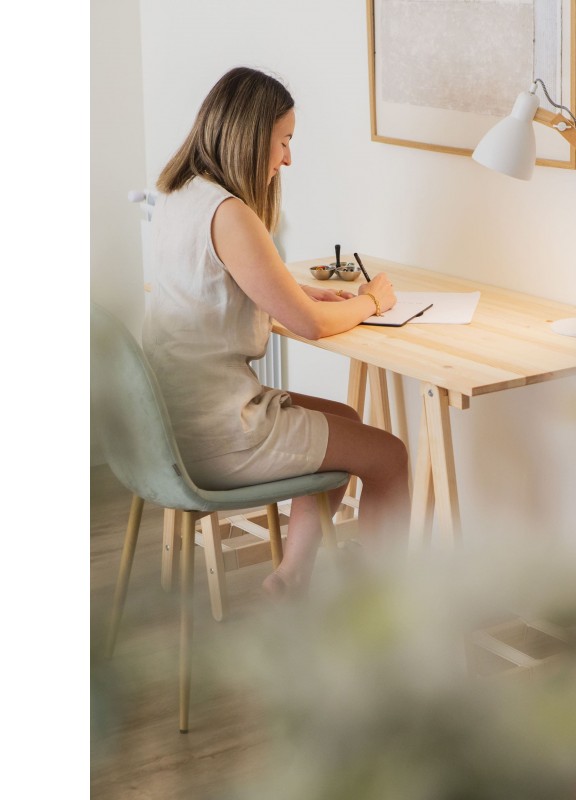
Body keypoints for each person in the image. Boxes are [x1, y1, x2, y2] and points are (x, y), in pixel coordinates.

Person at [142, 66, 410, 599]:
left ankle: (290, 579)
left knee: (346, 420)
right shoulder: (231, 213)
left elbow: (224, 278)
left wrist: (294, 288)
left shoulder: (182, 194)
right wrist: (368, 301)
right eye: (283, 140)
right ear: (250, 135)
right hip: (218, 433)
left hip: (168, 421)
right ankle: (384, 615)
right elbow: (309, 326)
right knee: (390, 457)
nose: (288, 158)